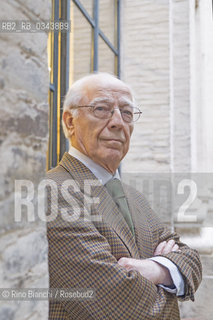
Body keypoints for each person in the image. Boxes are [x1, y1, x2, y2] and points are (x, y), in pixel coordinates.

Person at [46, 72, 202, 320]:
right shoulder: (53, 191)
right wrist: (169, 272)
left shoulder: (135, 197)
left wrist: (155, 269)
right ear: (70, 122)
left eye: (127, 113)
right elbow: (118, 305)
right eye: (101, 109)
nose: (118, 121)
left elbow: (191, 259)